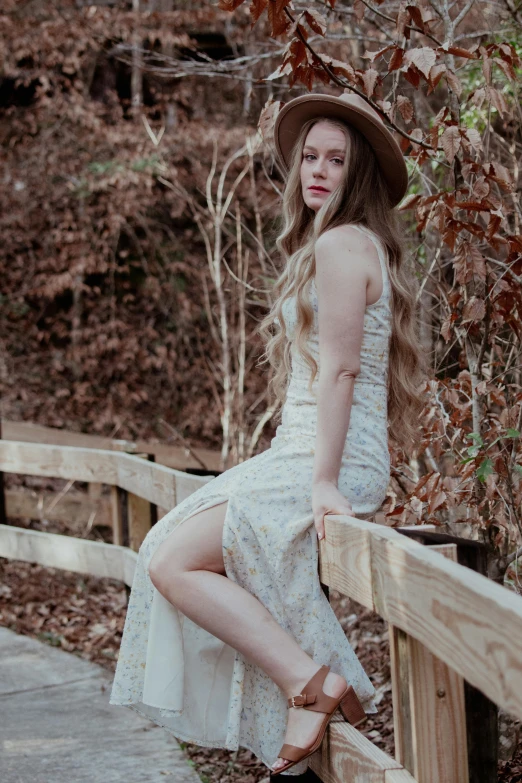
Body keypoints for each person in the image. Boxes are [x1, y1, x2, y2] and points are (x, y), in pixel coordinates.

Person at [109, 90, 426, 777]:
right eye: (308, 156)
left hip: (329, 458)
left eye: (334, 159)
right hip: (305, 449)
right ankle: (313, 683)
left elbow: (340, 371)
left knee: (169, 557)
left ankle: (310, 682)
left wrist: (320, 481)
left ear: (358, 173)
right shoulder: (336, 243)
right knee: (166, 549)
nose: (316, 169)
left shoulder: (343, 244)